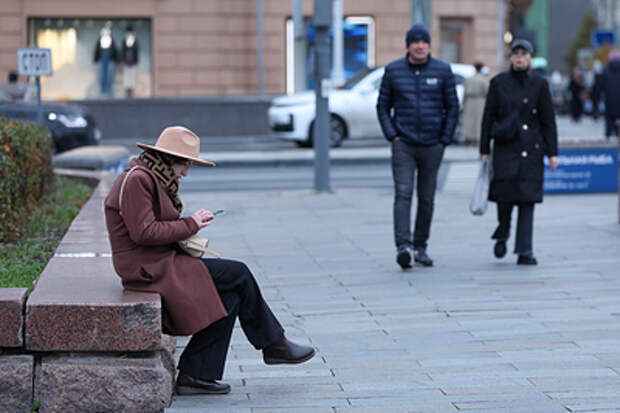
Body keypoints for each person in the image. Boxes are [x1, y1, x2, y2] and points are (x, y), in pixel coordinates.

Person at [103, 126, 315, 395]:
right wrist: (190, 223)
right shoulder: (138, 180)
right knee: (238, 273)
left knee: (231, 294)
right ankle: (274, 344)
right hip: (147, 268)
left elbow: (152, 227)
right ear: (171, 159)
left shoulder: (152, 178)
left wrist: (189, 223)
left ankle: (196, 374)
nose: (186, 171)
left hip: (159, 261)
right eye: (186, 164)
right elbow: (144, 232)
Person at [376, 24, 459, 269]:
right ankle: (403, 246)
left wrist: (444, 138)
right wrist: (393, 136)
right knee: (403, 193)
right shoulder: (393, 71)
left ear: (429, 45)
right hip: (404, 144)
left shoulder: (443, 71)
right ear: (408, 45)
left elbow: (452, 107)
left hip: (433, 145)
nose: (420, 46)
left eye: (424, 42)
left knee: (427, 199)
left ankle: (420, 247)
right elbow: (382, 106)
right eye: (415, 42)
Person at [480, 39, 558, 265]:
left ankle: (525, 250)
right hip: (506, 147)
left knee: (527, 199)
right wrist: (484, 149)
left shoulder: (540, 85)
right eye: (516, 54)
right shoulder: (498, 83)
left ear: (530, 58)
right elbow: (488, 118)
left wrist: (552, 152)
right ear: (510, 57)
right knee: (505, 197)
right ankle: (502, 232)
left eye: (524, 54)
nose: (520, 58)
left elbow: (548, 120)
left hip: (531, 148)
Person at [461, 61, 489, 145]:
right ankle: (476, 139)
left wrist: (463, 103)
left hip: (470, 101)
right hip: (480, 101)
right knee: (478, 121)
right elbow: (487, 91)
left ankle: (467, 138)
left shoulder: (469, 79)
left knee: (468, 120)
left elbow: (464, 92)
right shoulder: (484, 79)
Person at [600, 50, 620, 139]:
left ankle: (608, 146)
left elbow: (601, 87)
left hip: (609, 102)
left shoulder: (605, 71)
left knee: (609, 124)